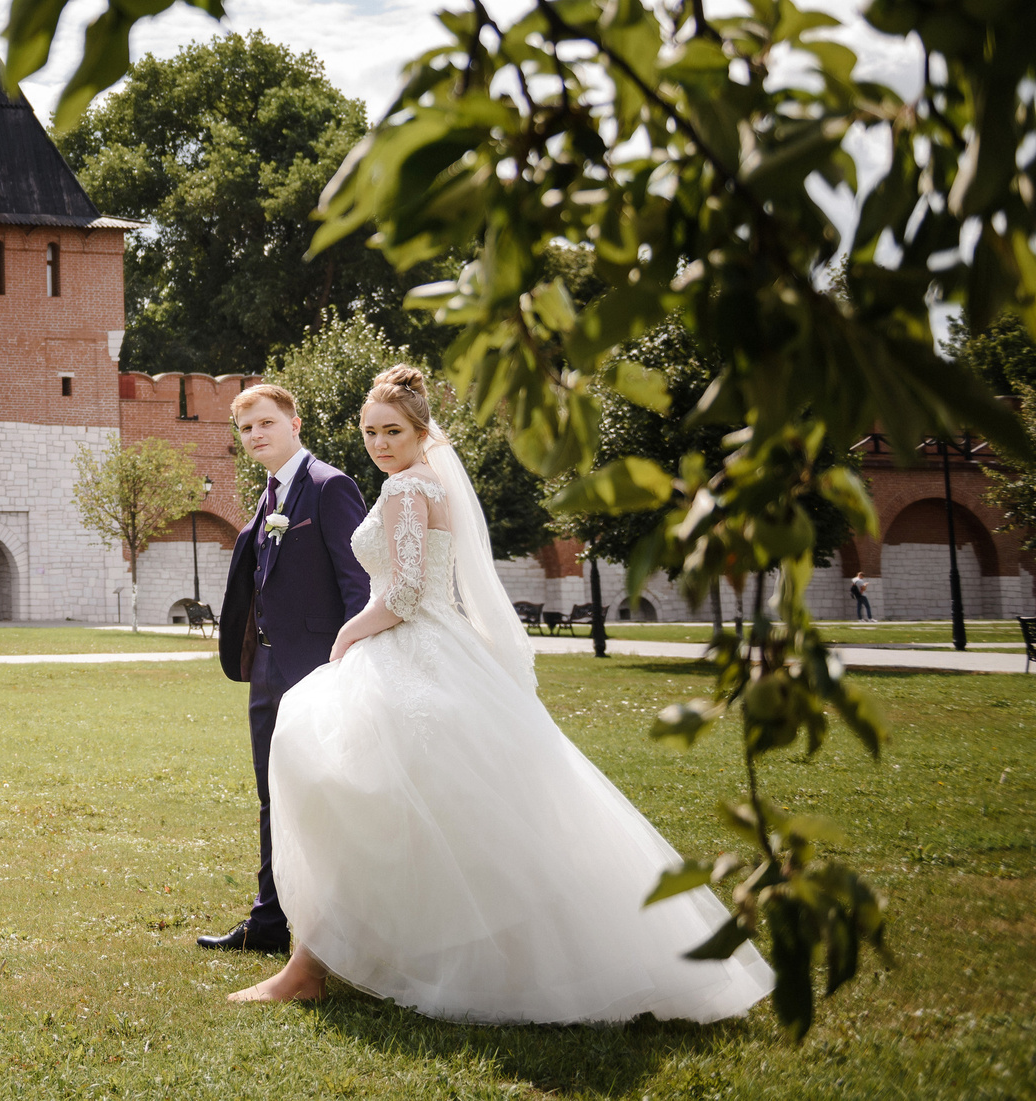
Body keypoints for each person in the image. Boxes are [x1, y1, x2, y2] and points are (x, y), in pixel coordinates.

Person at [228, 365, 774, 1023]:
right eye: (370, 432)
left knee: (336, 778)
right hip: (437, 646)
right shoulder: (429, 484)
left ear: (421, 430)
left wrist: (348, 633)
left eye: (392, 430)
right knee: (409, 806)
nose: (378, 443)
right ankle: (320, 961)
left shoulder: (405, 489)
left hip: (409, 648)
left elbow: (403, 594)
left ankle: (311, 968)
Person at [197, 383, 370, 955]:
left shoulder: (329, 486)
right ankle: (269, 923)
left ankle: (340, 927)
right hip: (266, 669)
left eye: (266, 423)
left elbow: (358, 585)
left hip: (317, 669)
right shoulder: (269, 493)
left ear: (295, 424)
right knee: (272, 793)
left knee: (322, 794)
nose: (255, 435)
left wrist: (349, 667)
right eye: (246, 429)